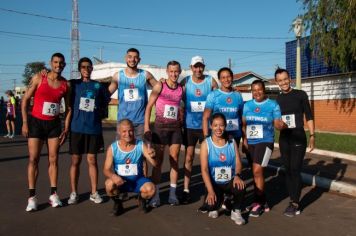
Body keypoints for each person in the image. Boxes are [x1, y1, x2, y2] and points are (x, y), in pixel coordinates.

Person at [21, 52, 71, 212]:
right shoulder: (39, 78)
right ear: (51, 63)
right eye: (56, 62)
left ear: (64, 65)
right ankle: (32, 197)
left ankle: (53, 194)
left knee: (53, 159)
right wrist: (24, 122)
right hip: (36, 123)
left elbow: (69, 108)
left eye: (61, 63)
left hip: (54, 125)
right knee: (33, 159)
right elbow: (25, 100)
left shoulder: (65, 85)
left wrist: (66, 128)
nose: (58, 65)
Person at [67, 57, 110, 205]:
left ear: (92, 69)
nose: (86, 69)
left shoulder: (98, 86)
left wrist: (100, 108)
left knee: (92, 160)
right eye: (83, 67)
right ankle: (74, 193)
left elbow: (107, 100)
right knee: (75, 161)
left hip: (93, 129)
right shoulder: (73, 84)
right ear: (79, 69)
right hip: (76, 128)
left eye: (89, 67)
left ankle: (94, 192)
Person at [275, 68, 315, 217]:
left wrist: (312, 135)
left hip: (298, 136)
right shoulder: (277, 100)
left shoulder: (300, 95)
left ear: (290, 78)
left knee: (295, 169)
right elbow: (276, 122)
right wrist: (278, 125)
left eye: (285, 79)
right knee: (288, 170)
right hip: (284, 138)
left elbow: (309, 116)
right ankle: (292, 199)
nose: (283, 82)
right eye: (280, 80)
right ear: (277, 82)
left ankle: (295, 203)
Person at [242, 80, 285, 217]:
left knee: (257, 170)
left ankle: (259, 203)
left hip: (266, 142)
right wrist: (245, 140)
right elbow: (243, 124)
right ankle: (262, 201)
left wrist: (280, 125)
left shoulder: (273, 105)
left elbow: (278, 123)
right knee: (256, 173)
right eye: (254, 90)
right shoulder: (247, 105)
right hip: (251, 143)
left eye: (259, 89)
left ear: (264, 90)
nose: (257, 92)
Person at [144, 60, 184, 207]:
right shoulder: (160, 85)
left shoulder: (181, 89)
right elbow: (148, 107)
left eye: (176, 71)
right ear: (167, 72)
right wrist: (147, 128)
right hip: (160, 129)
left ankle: (172, 195)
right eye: (171, 71)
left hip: (175, 129)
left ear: (180, 72)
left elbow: (183, 107)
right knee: (158, 163)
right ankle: (156, 196)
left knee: (174, 160)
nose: (174, 74)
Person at [180, 56, 218, 204]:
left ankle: (211, 188)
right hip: (190, 126)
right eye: (195, 67)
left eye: (200, 66)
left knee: (209, 159)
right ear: (191, 67)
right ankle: (186, 189)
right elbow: (177, 95)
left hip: (206, 127)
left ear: (204, 67)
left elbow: (219, 96)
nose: (198, 69)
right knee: (189, 157)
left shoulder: (210, 81)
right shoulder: (186, 82)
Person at [103, 119, 156, 216]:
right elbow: (106, 169)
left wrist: (153, 155)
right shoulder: (113, 148)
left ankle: (142, 200)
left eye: (130, 131)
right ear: (119, 132)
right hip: (121, 182)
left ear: (133, 131)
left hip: (138, 181)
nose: (128, 134)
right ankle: (118, 204)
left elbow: (154, 164)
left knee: (151, 189)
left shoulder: (140, 144)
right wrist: (113, 176)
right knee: (109, 185)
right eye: (124, 131)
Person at [200, 113, 246, 225]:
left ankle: (236, 211)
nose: (218, 128)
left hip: (229, 181)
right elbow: (204, 170)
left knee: (240, 186)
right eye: (215, 125)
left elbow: (238, 162)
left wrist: (237, 176)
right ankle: (219, 201)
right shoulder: (206, 144)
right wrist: (210, 191)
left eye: (221, 125)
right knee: (211, 207)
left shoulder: (231, 141)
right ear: (211, 126)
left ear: (225, 126)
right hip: (214, 183)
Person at [108, 48, 157, 140]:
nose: (132, 60)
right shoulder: (118, 76)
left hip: (141, 122)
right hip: (123, 122)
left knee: (140, 151)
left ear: (139, 60)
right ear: (126, 58)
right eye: (130, 57)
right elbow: (105, 94)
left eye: (135, 57)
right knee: (121, 151)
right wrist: (115, 101)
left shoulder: (145, 75)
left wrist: (164, 82)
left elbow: (160, 89)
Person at [202, 67, 244, 144]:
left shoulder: (238, 95)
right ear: (219, 79)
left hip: (235, 135)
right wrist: (206, 136)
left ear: (232, 77)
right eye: (223, 77)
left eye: (228, 77)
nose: (226, 80)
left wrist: (244, 138)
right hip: (218, 135)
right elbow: (205, 117)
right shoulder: (213, 95)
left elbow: (242, 117)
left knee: (234, 156)